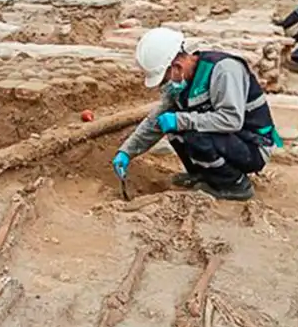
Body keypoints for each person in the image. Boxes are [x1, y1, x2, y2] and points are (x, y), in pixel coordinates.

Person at [111, 27, 281, 201]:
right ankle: (204, 175)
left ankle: (235, 185)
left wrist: (182, 120)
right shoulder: (182, 82)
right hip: (231, 140)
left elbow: (231, 120)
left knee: (192, 132)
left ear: (177, 67)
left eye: (165, 79)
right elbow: (156, 121)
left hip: (253, 145)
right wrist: (127, 152)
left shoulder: (224, 70)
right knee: (175, 128)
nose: (165, 85)